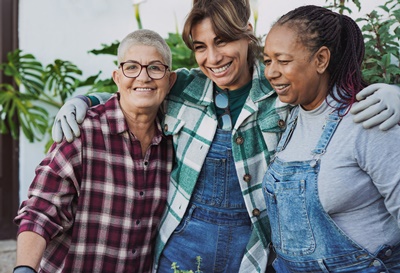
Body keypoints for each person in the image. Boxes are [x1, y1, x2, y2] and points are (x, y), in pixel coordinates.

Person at [51, 1, 400, 272]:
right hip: (182, 245)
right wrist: (83, 101)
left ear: (247, 32)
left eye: (223, 41)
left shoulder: (282, 87)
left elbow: (332, 91)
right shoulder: (184, 87)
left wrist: (394, 94)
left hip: (251, 249)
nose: (212, 58)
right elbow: (139, 89)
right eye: (200, 46)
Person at [13, 29, 176, 273]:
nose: (143, 77)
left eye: (155, 67)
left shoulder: (173, 140)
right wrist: (25, 268)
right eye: (131, 67)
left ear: (170, 80)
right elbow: (41, 210)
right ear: (117, 77)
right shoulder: (82, 133)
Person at [262, 5, 400, 273]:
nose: (271, 72)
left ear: (321, 59)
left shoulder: (368, 121)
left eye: (283, 60)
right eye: (267, 60)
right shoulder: (291, 117)